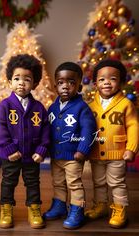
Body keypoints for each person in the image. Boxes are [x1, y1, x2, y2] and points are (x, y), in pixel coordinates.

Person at [0, 54, 50, 229]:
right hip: (10, 155)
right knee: (8, 181)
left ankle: (34, 209)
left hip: (31, 155)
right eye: (17, 78)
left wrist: (41, 150)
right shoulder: (5, 105)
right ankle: (6, 208)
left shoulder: (39, 108)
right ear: (10, 81)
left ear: (34, 83)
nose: (21, 83)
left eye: (27, 79)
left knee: (33, 182)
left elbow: (45, 131)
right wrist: (9, 148)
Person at [85, 59, 139, 228]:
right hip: (95, 152)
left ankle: (119, 207)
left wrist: (131, 148)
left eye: (113, 79)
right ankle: (100, 205)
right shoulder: (90, 106)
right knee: (98, 181)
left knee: (116, 182)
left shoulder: (125, 104)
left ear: (121, 82)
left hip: (117, 152)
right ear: (95, 84)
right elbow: (85, 129)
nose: (107, 82)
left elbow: (133, 126)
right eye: (102, 79)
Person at [43, 62, 96, 229]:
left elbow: (89, 130)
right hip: (56, 155)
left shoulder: (82, 108)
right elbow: (47, 129)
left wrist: (82, 150)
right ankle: (59, 206)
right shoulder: (52, 107)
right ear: (55, 85)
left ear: (79, 85)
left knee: (74, 183)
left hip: (73, 155)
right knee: (58, 182)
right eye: (60, 82)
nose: (65, 86)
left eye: (71, 82)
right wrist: (45, 147)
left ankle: (77, 209)